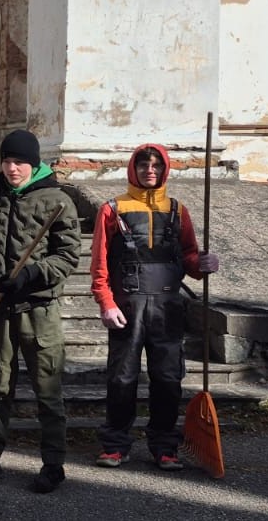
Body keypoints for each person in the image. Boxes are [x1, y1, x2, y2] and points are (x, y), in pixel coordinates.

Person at [0, 129, 80, 493]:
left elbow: (68, 256)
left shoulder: (57, 201)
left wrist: (32, 273)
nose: (12, 168)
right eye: (7, 161)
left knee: (48, 391)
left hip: (39, 310)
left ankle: (53, 462)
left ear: (34, 163)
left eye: (20, 162)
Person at [91, 144, 220, 471]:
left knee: (167, 379)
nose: (151, 170)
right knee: (122, 378)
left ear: (166, 170)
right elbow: (99, 265)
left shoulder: (178, 210)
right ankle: (115, 445)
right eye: (144, 165)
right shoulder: (112, 209)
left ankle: (165, 447)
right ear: (132, 168)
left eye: (157, 165)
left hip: (168, 309)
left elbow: (190, 257)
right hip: (127, 308)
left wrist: (203, 263)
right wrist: (106, 303)